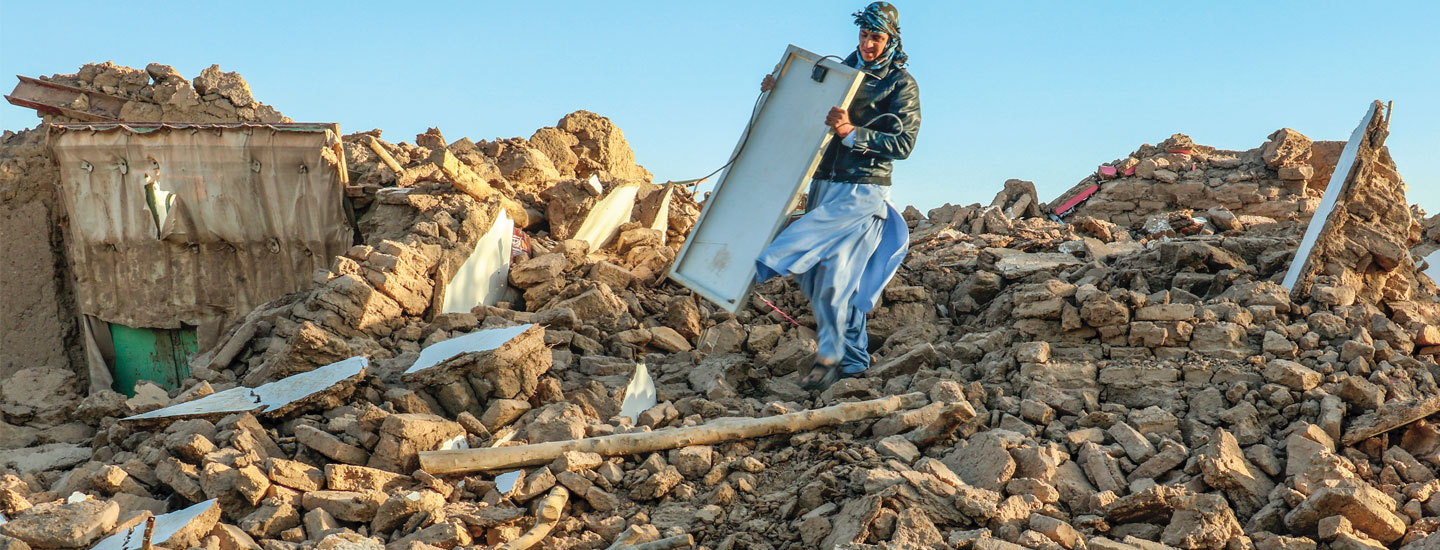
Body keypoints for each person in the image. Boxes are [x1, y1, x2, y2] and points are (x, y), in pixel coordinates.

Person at [754, 1, 921, 390]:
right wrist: (778, 91)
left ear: (891, 39)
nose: (868, 44)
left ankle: (766, 263)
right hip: (824, 184)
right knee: (826, 276)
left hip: (864, 189)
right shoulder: (837, 75)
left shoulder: (900, 85)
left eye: (876, 37)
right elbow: (803, 114)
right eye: (864, 35)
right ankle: (853, 359)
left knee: (830, 269)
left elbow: (905, 143)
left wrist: (853, 133)